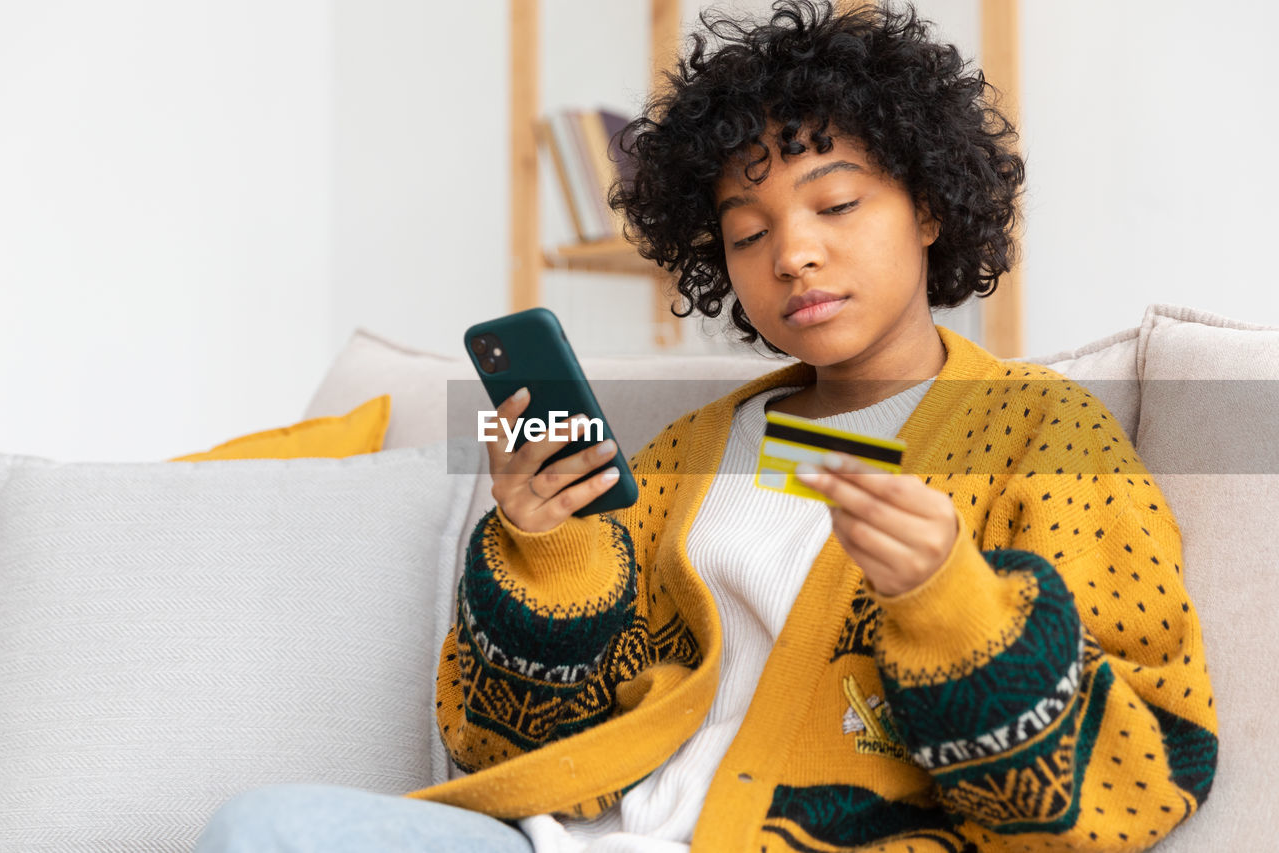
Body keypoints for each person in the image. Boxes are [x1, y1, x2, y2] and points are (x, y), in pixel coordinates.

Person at [195, 2, 1217, 850]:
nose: (793, 255)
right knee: (263, 827)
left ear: (931, 208)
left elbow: (1141, 774)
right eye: (747, 231)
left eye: (837, 204)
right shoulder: (691, 451)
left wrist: (948, 603)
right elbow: (504, 746)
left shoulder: (1048, 437)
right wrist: (544, 556)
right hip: (586, 838)